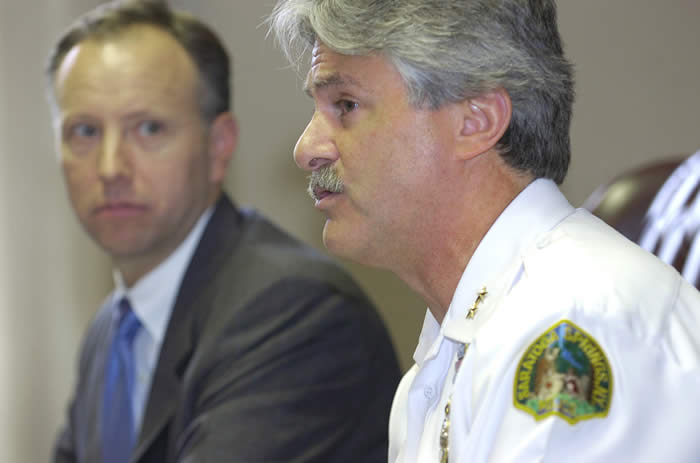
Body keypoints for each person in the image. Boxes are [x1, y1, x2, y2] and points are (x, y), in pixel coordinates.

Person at [269, 0, 700, 461]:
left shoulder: (573, 323)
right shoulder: (445, 359)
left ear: (476, 121)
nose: (306, 148)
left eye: (346, 105)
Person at [47, 1, 401, 462]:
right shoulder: (109, 333)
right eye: (85, 131)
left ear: (219, 147)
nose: (111, 166)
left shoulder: (294, 313)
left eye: (148, 128)